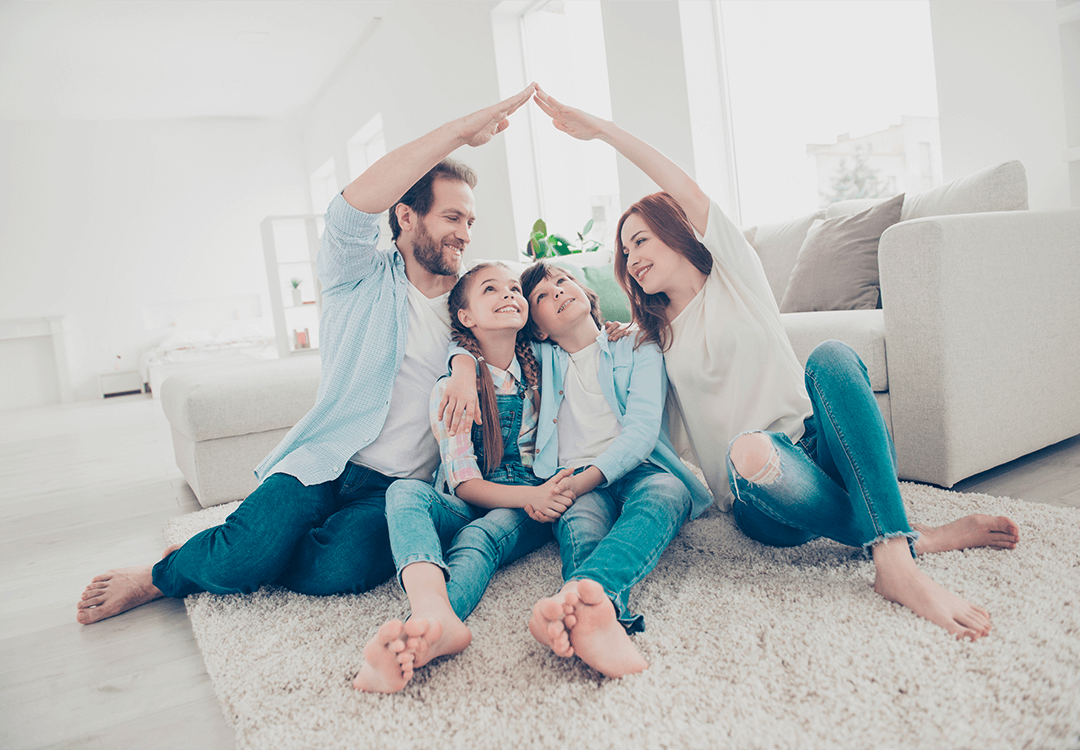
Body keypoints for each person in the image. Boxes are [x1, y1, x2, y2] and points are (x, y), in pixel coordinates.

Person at [532, 85, 1020, 641]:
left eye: (640, 241)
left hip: (818, 448)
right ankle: (913, 536)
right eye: (624, 254)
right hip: (759, 495)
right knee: (751, 448)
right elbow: (592, 377)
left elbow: (684, 188)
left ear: (676, 233)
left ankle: (895, 561)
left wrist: (603, 131)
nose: (632, 260)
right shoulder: (651, 339)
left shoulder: (735, 276)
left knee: (834, 357)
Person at [75, 85, 537, 625]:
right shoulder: (355, 275)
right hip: (327, 459)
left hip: (400, 487)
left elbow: (541, 321)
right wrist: (457, 134)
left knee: (340, 570)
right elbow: (347, 211)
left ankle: (232, 549)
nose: (464, 235)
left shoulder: (474, 302)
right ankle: (166, 574)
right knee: (250, 551)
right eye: (452, 217)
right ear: (407, 217)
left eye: (471, 223)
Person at [354, 262, 576, 693]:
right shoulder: (452, 389)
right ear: (466, 317)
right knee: (403, 493)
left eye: (515, 289)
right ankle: (429, 606)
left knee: (479, 539)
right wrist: (462, 366)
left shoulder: (544, 367)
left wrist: (619, 329)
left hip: (526, 500)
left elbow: (584, 338)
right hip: (477, 495)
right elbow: (465, 485)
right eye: (491, 289)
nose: (510, 294)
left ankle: (422, 633)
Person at [516, 261, 713, 678]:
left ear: (587, 294)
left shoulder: (638, 343)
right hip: (572, 476)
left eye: (563, 281)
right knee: (582, 530)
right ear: (538, 328)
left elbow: (641, 432)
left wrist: (574, 485)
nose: (558, 292)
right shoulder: (537, 357)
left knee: (668, 493)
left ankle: (581, 598)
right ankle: (600, 618)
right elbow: (479, 345)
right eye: (542, 297)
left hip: (637, 467)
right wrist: (460, 366)